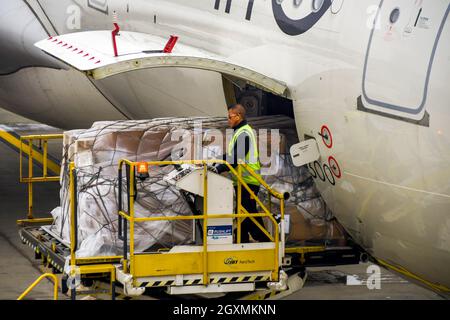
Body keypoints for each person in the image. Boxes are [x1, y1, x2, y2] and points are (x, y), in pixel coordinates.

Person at [212, 104, 270, 243]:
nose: (228, 120)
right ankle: (241, 241)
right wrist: (217, 160)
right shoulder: (240, 132)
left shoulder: (244, 132)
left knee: (248, 214)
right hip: (242, 181)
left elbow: (237, 157)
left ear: (238, 116)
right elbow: (232, 155)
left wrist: (218, 169)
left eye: (230, 117)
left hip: (248, 181)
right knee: (242, 214)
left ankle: (265, 242)